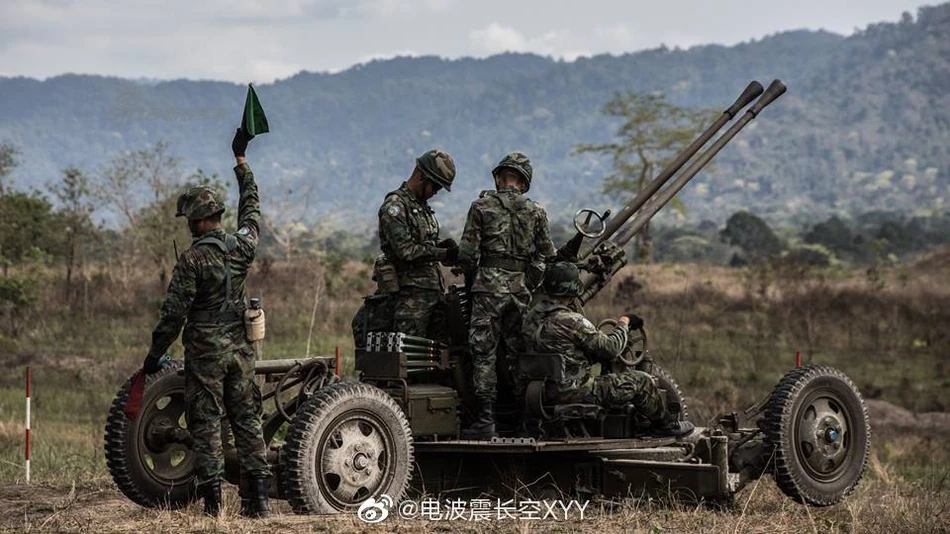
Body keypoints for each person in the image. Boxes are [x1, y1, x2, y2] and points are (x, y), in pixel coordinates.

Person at [141, 128, 270, 518]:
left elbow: (172, 315)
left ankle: (214, 508)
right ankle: (258, 503)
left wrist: (154, 355)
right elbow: (252, 211)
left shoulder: (193, 261)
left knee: (206, 423)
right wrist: (242, 163)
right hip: (241, 351)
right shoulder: (242, 247)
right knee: (248, 420)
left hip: (205, 353)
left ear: (197, 222)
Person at [520, 262, 694, 437]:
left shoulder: (530, 318)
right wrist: (624, 323)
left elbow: (562, 352)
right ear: (573, 290)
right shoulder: (572, 321)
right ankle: (666, 425)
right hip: (574, 393)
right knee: (642, 382)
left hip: (540, 394)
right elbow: (611, 348)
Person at [458, 152, 556, 439]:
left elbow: (466, 254)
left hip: (488, 288)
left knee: (484, 352)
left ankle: (486, 420)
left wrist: (475, 275)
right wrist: (530, 278)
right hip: (520, 291)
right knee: (519, 354)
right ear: (524, 184)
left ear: (500, 177)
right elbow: (546, 254)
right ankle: (524, 419)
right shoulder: (536, 211)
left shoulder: (481, 206)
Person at [377, 148, 459, 339]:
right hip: (410, 299)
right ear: (422, 177)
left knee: (440, 355)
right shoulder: (395, 206)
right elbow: (405, 250)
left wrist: (444, 247)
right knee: (410, 357)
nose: (435, 193)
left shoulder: (421, 207)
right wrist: (442, 253)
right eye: (435, 187)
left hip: (434, 293)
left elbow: (425, 242)